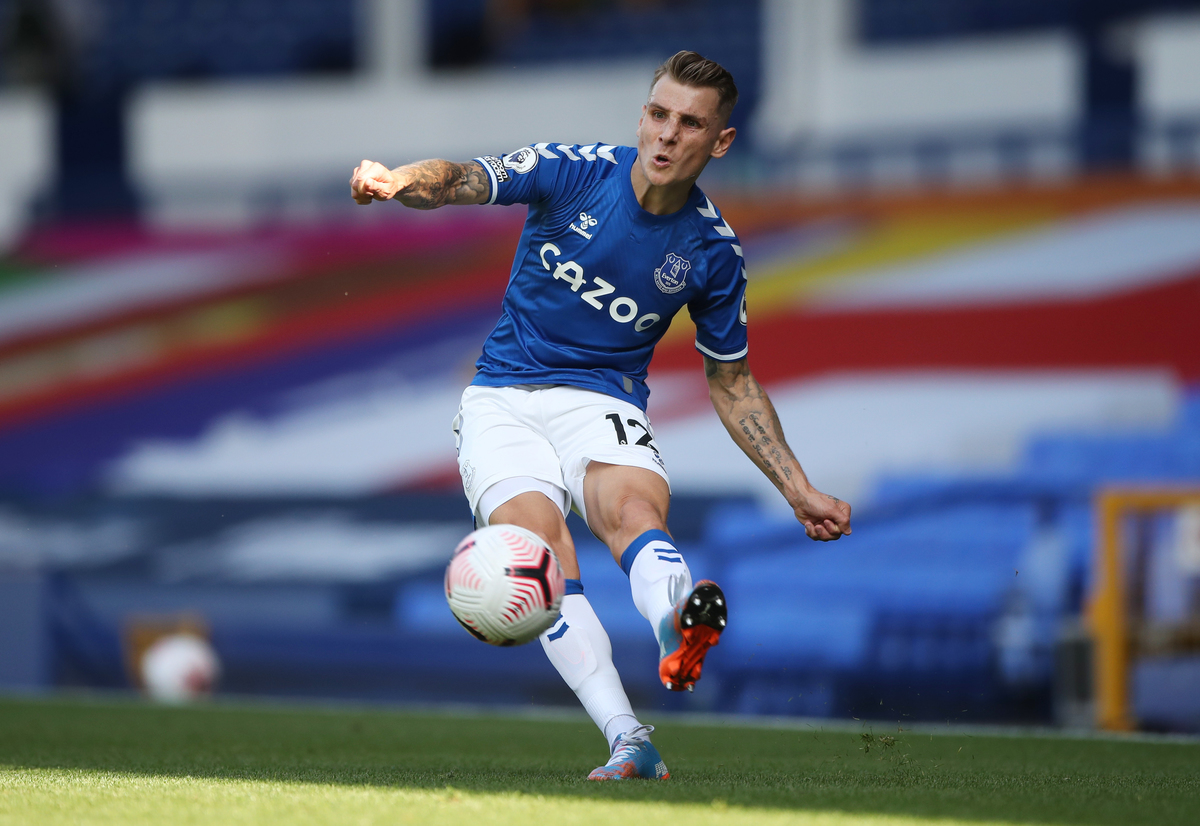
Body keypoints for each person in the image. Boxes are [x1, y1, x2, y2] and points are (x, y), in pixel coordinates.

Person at [350, 50, 851, 781]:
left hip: (603, 397)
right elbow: (461, 178)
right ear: (642, 116)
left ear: (721, 142)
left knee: (631, 511)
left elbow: (732, 380)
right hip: (503, 397)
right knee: (539, 559)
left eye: (690, 124)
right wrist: (399, 181)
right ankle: (629, 739)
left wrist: (796, 487)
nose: (667, 134)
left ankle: (678, 626)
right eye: (659, 114)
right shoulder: (575, 171)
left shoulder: (712, 253)